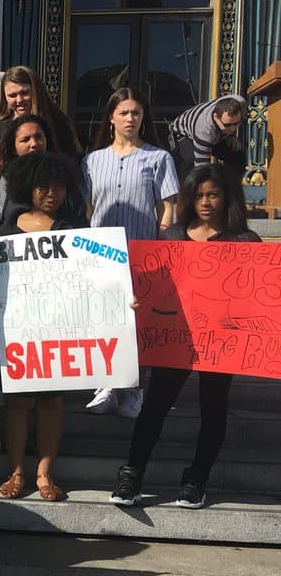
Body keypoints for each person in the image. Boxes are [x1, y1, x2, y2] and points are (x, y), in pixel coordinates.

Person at [111, 163, 261, 510]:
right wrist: (140, 299)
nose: (206, 202)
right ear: (187, 198)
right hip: (175, 335)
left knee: (213, 408)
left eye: (213, 194)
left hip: (222, 339)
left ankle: (197, 479)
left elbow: (256, 293)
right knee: (155, 405)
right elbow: (156, 286)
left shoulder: (245, 240)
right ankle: (132, 472)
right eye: (198, 195)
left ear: (227, 197)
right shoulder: (173, 236)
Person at [0, 152, 89, 502]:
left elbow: (95, 278)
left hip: (58, 331)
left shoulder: (76, 229)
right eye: (44, 187)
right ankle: (16, 470)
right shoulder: (6, 230)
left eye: (60, 187)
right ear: (27, 188)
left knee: (52, 403)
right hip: (17, 331)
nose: (52, 194)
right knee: (15, 402)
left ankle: (44, 473)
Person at [83, 86, 179, 418]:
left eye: (136, 113)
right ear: (110, 117)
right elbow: (88, 207)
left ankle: (135, 388)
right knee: (104, 317)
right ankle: (107, 382)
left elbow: (167, 208)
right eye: (123, 112)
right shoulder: (94, 160)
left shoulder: (158, 158)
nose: (130, 118)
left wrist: (160, 247)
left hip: (142, 251)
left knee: (137, 321)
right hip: (102, 253)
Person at [0, 65, 81, 183]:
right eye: (12, 95)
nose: (19, 100)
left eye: (25, 92)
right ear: (4, 97)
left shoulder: (58, 123)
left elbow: (71, 164)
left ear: (36, 91)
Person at [0, 114, 85, 226]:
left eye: (38, 137)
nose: (34, 144)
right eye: (25, 139)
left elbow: (81, 231)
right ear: (13, 148)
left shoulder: (66, 182)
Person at [166, 94, 248, 181]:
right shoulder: (204, 130)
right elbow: (202, 167)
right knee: (192, 168)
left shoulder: (241, 103)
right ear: (215, 117)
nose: (232, 128)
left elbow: (231, 122)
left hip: (217, 133)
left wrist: (231, 136)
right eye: (227, 125)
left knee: (237, 155)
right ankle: (189, 193)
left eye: (236, 124)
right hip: (184, 133)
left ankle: (231, 188)